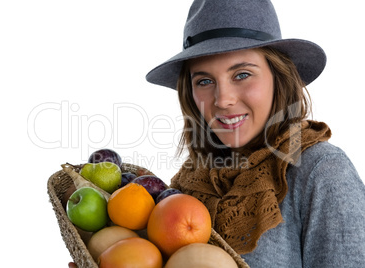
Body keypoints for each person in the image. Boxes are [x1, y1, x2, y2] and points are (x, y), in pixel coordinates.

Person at [69, 0, 365, 267]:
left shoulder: (321, 171)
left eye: (242, 74)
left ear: (279, 77)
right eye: (205, 81)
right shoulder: (192, 178)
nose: (222, 99)